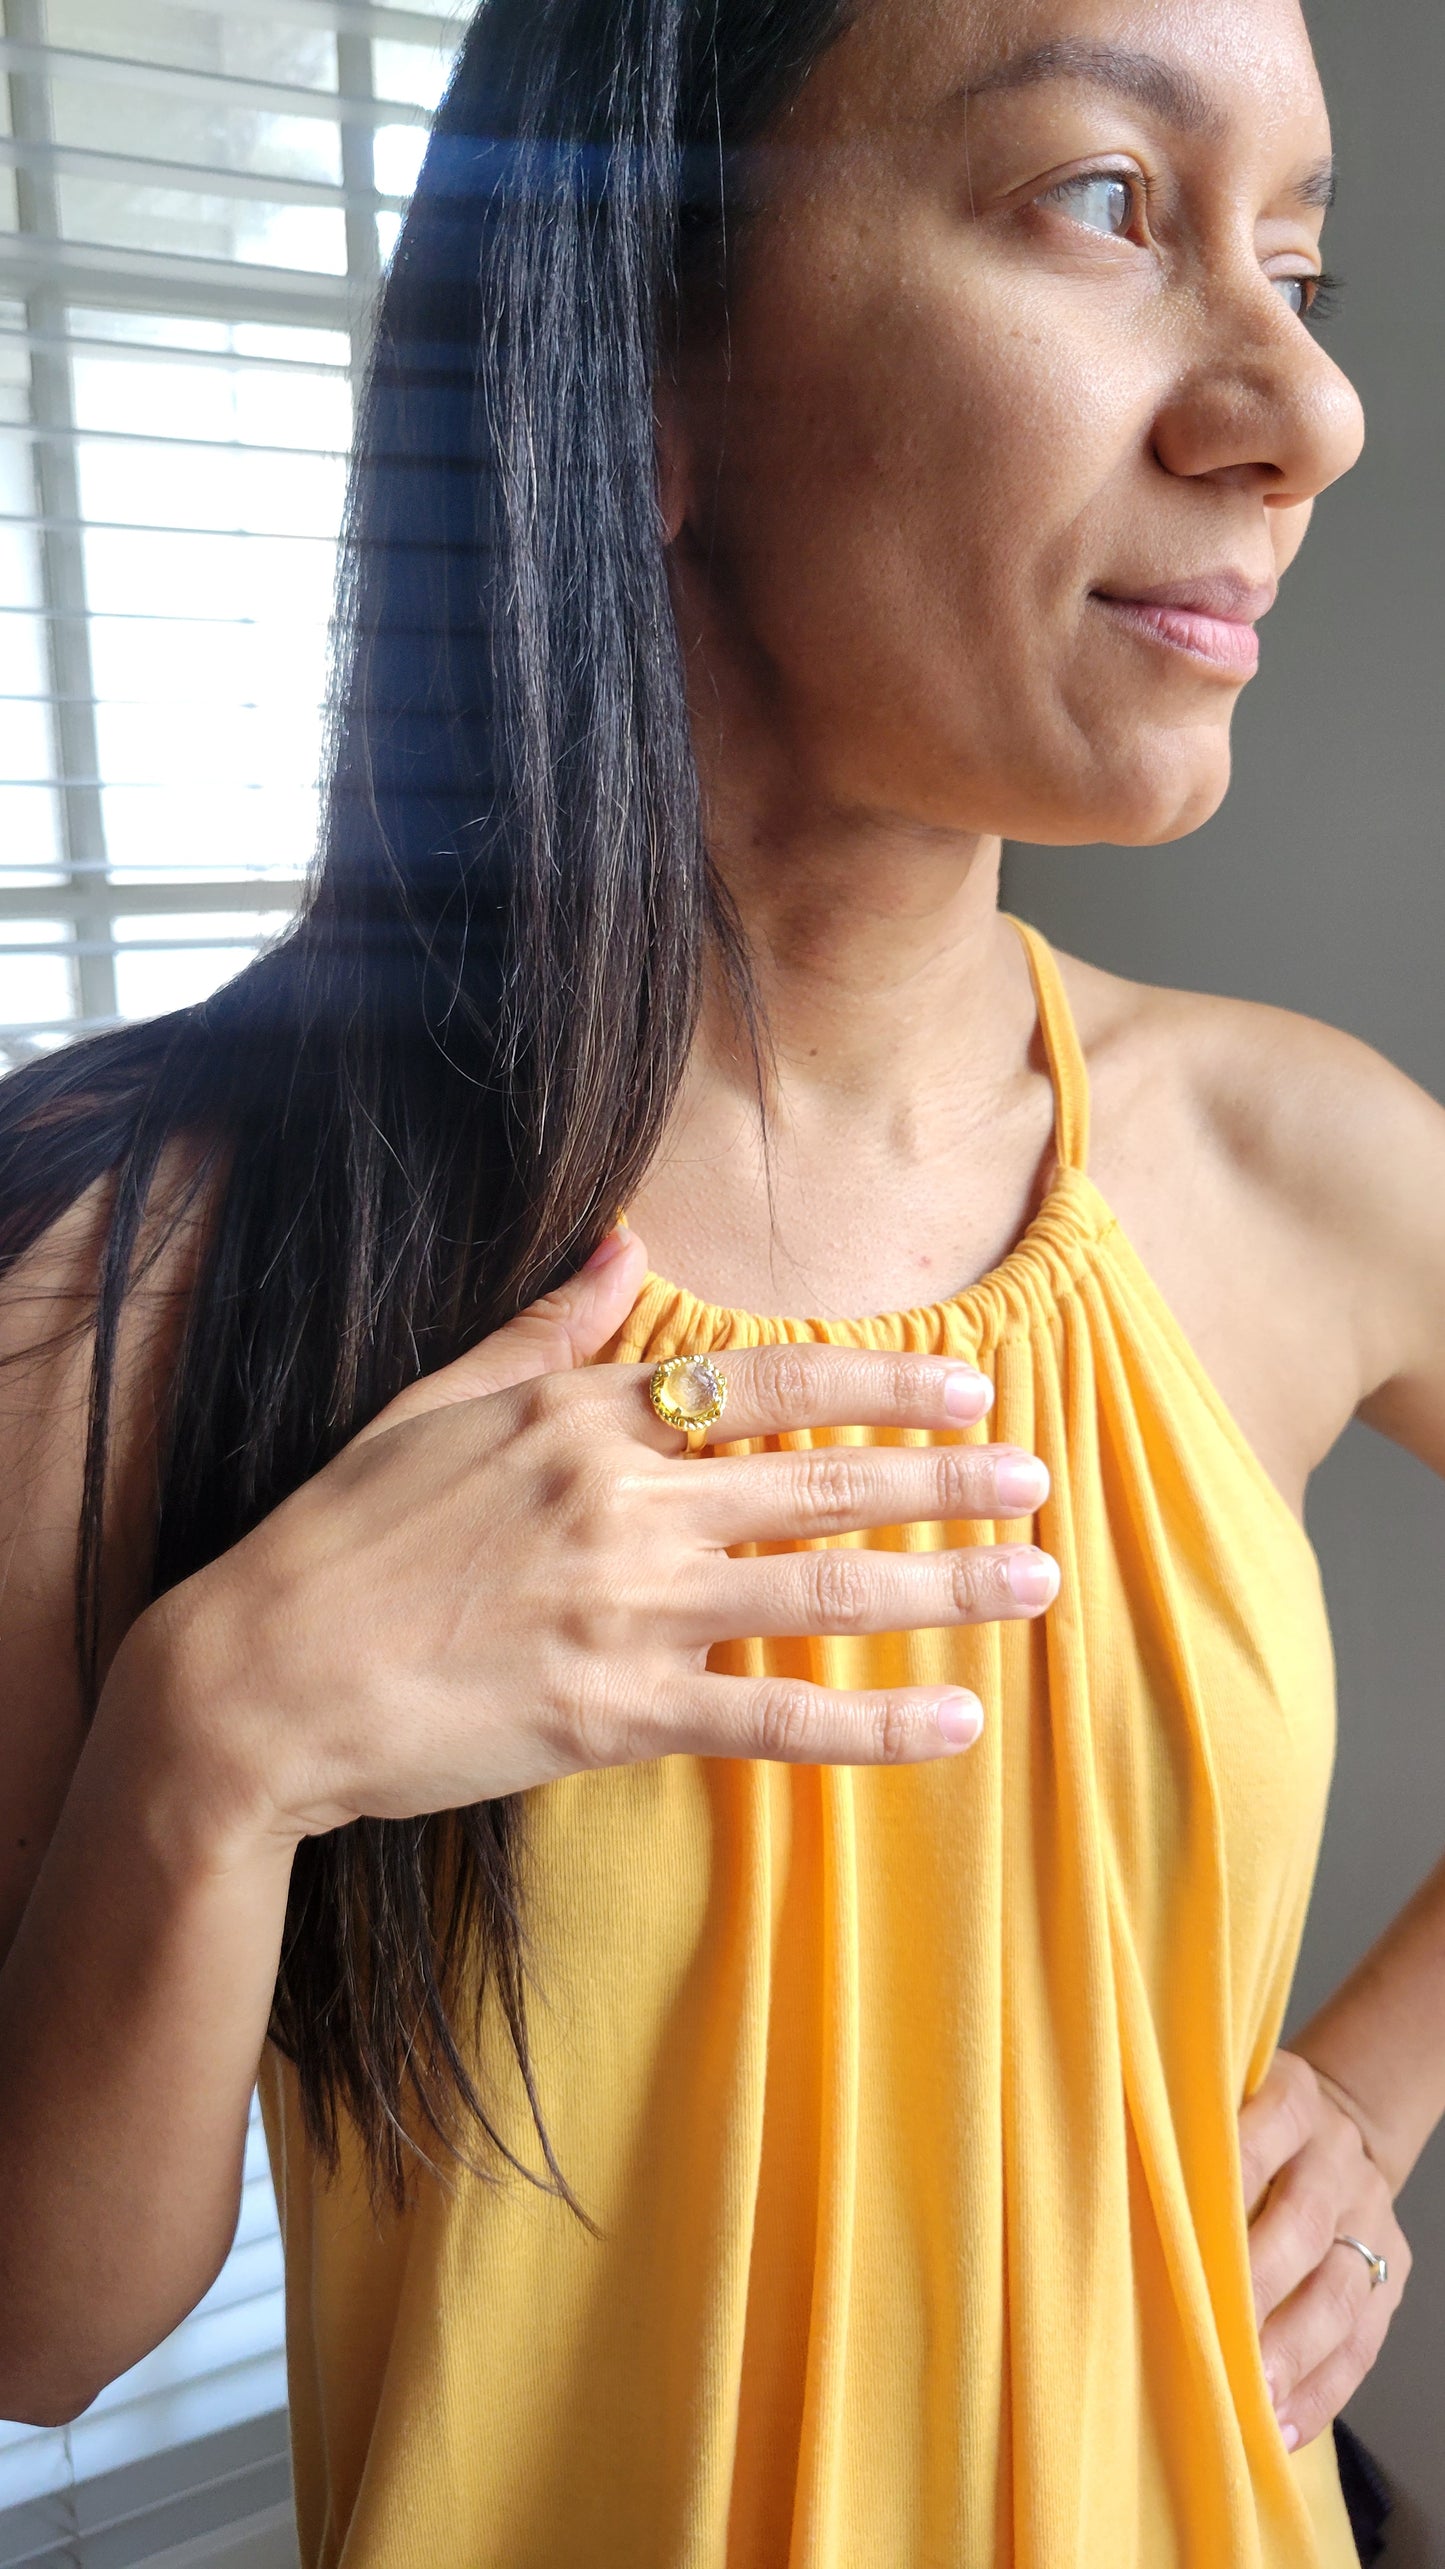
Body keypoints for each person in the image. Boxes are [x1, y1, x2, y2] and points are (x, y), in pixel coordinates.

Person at [0, 0, 1440, 2558]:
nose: (1307, 411)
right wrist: (210, 1750)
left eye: (1300, 259)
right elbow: (48, 2328)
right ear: (646, 356)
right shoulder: (134, 1263)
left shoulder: (1301, 1161)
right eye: (1109, 201)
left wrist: (1378, 2082)